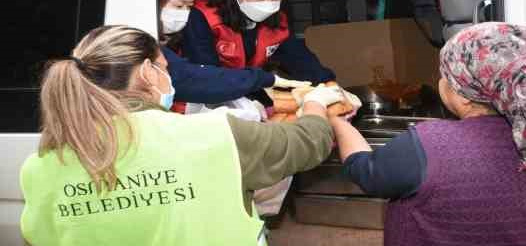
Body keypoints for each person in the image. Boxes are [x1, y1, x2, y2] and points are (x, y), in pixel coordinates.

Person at [20, 25, 343, 246]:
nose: (169, 76)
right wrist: (315, 103)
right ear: (148, 72)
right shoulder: (213, 134)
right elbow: (304, 144)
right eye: (164, 67)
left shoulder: (41, 165)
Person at [332, 22, 526, 246]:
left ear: (464, 97)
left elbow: (365, 171)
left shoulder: (431, 146)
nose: (440, 80)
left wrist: (338, 122)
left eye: (444, 74)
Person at [157, 0, 311, 113]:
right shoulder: (204, 20)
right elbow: (194, 77)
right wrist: (262, 79)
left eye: (189, 7)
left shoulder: (277, 22)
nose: (185, 13)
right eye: (179, 6)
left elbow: (296, 55)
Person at [182, 0, 335, 84]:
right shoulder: (202, 17)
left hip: (247, 89)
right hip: (204, 98)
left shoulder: (277, 20)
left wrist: (327, 82)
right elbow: (204, 72)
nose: (269, 3)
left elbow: (298, 57)